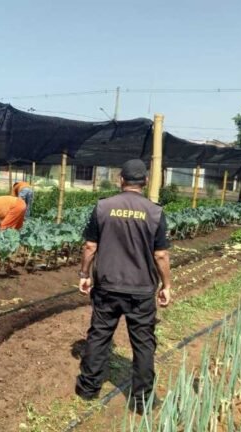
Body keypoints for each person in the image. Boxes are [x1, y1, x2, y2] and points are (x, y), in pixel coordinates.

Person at [74, 159, 172, 414]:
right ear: (146, 182)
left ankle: (87, 389)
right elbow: (161, 255)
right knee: (143, 344)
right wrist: (166, 285)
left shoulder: (103, 207)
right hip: (140, 290)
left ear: (121, 179)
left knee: (99, 336)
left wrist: (84, 273)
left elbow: (89, 246)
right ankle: (141, 402)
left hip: (107, 286)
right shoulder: (155, 212)